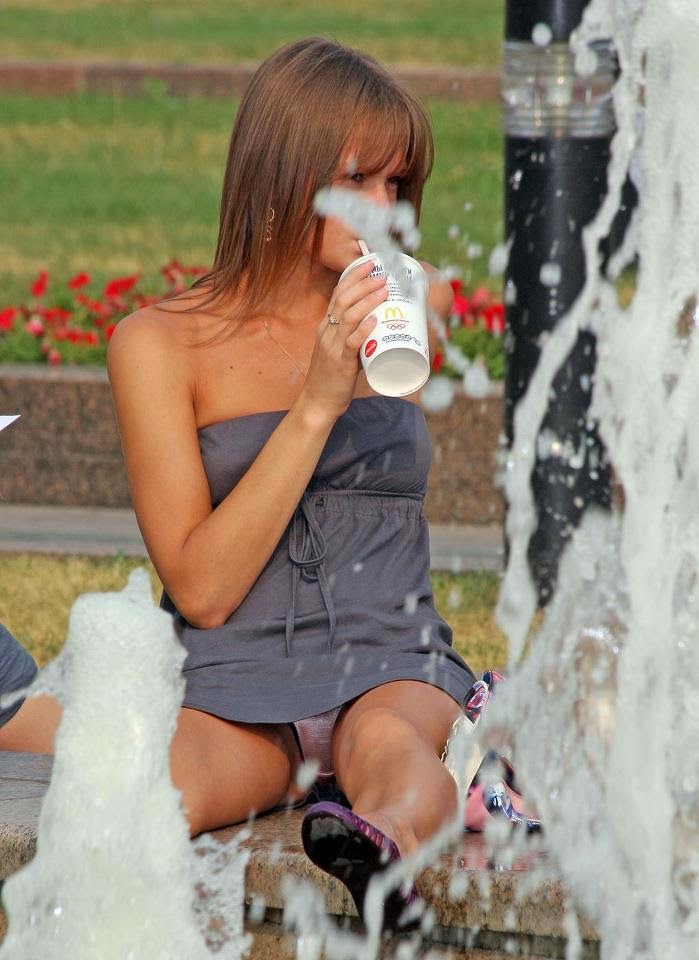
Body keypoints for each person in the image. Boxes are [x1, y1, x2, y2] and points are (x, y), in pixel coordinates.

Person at [1, 37, 487, 931]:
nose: (386, 209)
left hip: (390, 658)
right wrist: (316, 403)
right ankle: (13, 702)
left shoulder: (405, 306)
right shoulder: (159, 344)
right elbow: (202, 589)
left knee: (388, 747)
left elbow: (425, 348)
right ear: (282, 174)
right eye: (358, 180)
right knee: (143, 790)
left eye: (399, 183)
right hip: (233, 684)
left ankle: (380, 858)